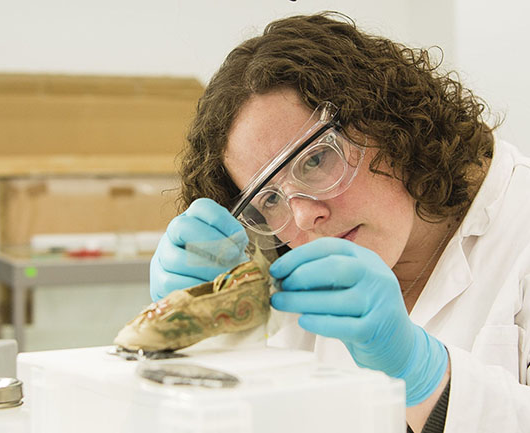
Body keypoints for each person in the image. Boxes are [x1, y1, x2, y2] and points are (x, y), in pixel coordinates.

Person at [149, 11, 530, 433]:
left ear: (391, 122)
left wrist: (425, 375)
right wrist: (199, 333)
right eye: (269, 199)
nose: (302, 215)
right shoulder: (291, 298)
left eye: (314, 159)